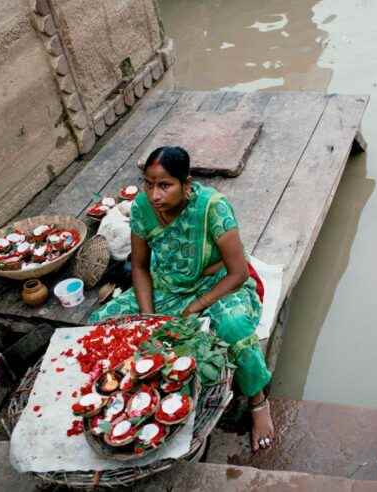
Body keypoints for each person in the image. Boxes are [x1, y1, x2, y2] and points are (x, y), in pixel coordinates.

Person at [88, 146, 274, 451]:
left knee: (235, 329)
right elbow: (139, 266)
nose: (154, 195)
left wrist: (197, 306)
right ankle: (122, 396)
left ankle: (257, 400)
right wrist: (149, 318)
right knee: (102, 324)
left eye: (164, 185)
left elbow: (238, 272)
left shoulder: (213, 207)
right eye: (149, 184)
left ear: (186, 184)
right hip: (166, 286)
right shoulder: (141, 209)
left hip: (216, 285)